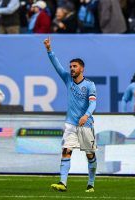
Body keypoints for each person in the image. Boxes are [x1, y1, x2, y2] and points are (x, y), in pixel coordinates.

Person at [43, 38, 97, 192]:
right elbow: (56, 66)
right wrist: (49, 50)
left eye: (75, 66)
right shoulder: (67, 79)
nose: (72, 69)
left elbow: (93, 103)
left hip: (86, 124)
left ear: (82, 69)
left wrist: (86, 115)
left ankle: (91, 184)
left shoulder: (89, 85)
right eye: (71, 66)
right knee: (66, 150)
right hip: (71, 123)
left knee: (90, 155)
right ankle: (62, 183)